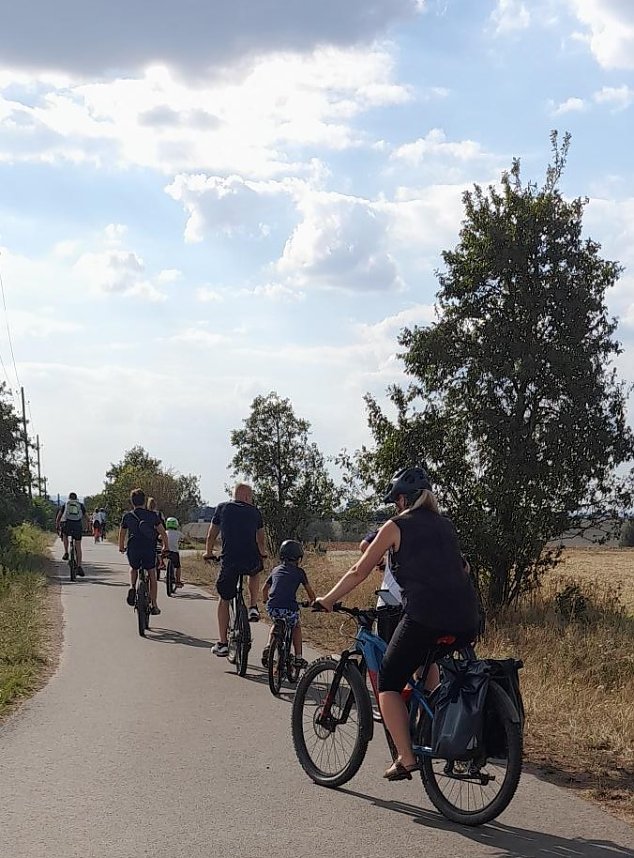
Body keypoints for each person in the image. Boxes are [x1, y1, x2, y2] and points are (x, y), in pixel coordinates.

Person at [315, 466, 480, 782]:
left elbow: (358, 571)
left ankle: (406, 757)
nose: (395, 506)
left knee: (389, 682)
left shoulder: (395, 526)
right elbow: (464, 567)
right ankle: (437, 730)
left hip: (425, 617)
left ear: (403, 499)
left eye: (396, 501)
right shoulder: (446, 526)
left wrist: (328, 598)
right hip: (465, 619)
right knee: (429, 668)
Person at [204, 483, 267, 657]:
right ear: (247, 497)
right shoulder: (255, 512)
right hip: (250, 559)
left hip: (230, 560)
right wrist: (262, 553)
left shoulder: (222, 508)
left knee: (224, 599)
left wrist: (208, 553)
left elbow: (211, 534)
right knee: (254, 572)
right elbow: (260, 537)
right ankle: (253, 606)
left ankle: (223, 643)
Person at [261, 539, 316, 669]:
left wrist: (265, 601)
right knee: (296, 626)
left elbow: (264, 589)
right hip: (290, 608)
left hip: (273, 607)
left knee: (276, 623)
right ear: (299, 558)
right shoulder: (299, 572)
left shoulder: (275, 570)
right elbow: (310, 593)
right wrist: (312, 601)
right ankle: (298, 658)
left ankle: (269, 645)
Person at [118, 488, 170, 615]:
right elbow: (163, 532)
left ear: (132, 502)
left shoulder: (128, 516)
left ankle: (132, 586)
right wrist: (165, 546)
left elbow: (122, 532)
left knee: (133, 568)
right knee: (152, 574)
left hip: (133, 548)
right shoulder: (152, 515)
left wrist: (121, 546)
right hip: (148, 548)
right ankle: (154, 604)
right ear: (144, 501)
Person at [56, 493, 89, 575]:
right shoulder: (80, 505)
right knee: (78, 546)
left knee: (65, 535)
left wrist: (57, 525)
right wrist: (87, 528)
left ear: (69, 498)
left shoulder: (65, 505)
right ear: (76, 498)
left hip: (67, 524)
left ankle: (66, 552)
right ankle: (79, 566)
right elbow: (87, 518)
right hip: (77, 525)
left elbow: (59, 517)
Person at [165, 516, 184, 588]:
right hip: (174, 552)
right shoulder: (178, 533)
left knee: (160, 556)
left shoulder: (165, 532)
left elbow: (160, 537)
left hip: (165, 551)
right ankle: (178, 581)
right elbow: (184, 538)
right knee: (178, 567)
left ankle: (161, 564)